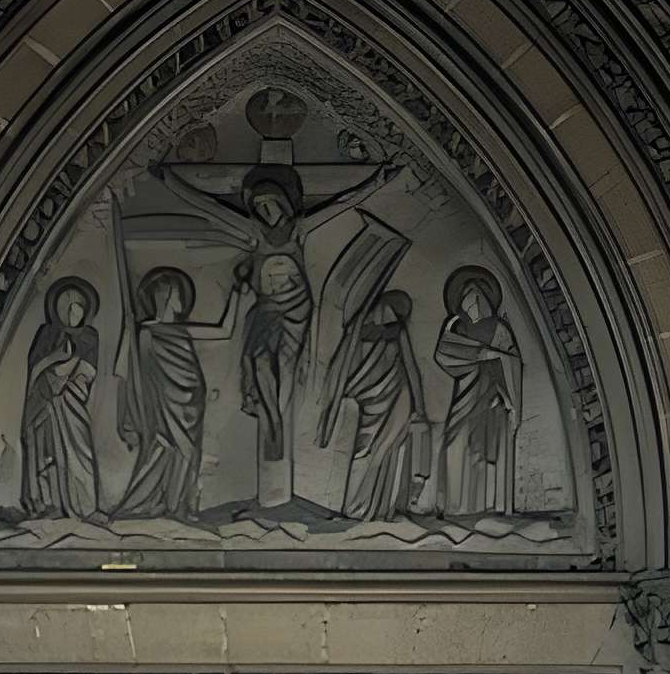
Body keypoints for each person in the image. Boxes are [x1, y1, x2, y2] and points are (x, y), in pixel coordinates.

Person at [151, 158, 395, 481]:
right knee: (259, 361)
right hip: (266, 309)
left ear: (282, 200)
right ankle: (272, 420)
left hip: (295, 310)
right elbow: (211, 207)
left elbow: (340, 203)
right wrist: (170, 180)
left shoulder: (299, 228)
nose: (266, 211)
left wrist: (377, 182)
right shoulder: (253, 231)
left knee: (284, 365)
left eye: (270, 203)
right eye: (259, 206)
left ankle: (277, 413)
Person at [112, 264, 243, 520]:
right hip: (161, 406)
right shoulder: (144, 332)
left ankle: (181, 505)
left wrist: (238, 293)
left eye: (175, 294)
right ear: (160, 298)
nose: (176, 300)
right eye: (170, 294)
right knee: (164, 449)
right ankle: (159, 503)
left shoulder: (181, 330)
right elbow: (128, 375)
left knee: (187, 455)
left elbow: (224, 331)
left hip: (189, 406)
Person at [318, 287, 428, 519]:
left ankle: (379, 509)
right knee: (363, 451)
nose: (386, 314)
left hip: (398, 397)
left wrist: (419, 410)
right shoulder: (356, 333)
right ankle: (355, 507)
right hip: (368, 402)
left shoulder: (397, 332)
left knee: (386, 452)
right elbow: (344, 370)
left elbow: (411, 370)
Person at [434, 266, 521, 517]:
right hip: (466, 393)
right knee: (454, 444)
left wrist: (497, 359)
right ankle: (453, 506)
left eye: (477, 294)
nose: (472, 300)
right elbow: (443, 353)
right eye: (467, 295)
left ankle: (480, 507)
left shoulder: (499, 328)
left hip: (492, 397)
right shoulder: (455, 325)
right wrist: (482, 353)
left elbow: (512, 360)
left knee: (483, 451)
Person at [20, 277, 101, 516]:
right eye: (67, 307)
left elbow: (88, 370)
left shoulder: (90, 336)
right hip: (44, 401)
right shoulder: (47, 333)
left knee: (80, 451)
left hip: (72, 400)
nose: (73, 313)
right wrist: (56, 361)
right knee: (46, 452)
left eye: (78, 308)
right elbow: (35, 367)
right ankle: (50, 503)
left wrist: (69, 371)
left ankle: (84, 506)